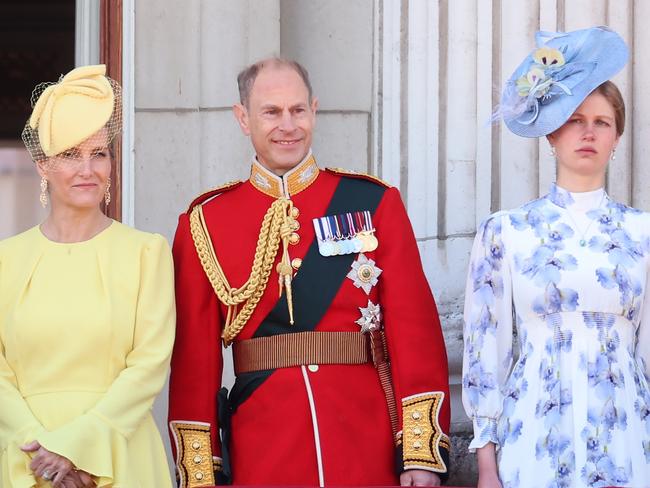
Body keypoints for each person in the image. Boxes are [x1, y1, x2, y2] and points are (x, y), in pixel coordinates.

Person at [169, 57, 450, 487]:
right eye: (272, 112)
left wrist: (420, 452)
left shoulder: (372, 202)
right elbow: (194, 364)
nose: (288, 125)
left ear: (314, 110)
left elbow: (415, 330)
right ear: (243, 118)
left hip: (364, 440)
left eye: (298, 110)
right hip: (265, 450)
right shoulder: (205, 222)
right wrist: (202, 472)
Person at [463, 26, 650, 487]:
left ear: (616, 137)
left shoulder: (643, 232)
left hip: (626, 435)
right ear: (550, 133)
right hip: (534, 436)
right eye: (574, 118)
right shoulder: (505, 231)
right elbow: (485, 350)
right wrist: (487, 465)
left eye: (601, 122)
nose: (587, 132)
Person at [0, 65, 175, 487]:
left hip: (120, 456)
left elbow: (149, 366)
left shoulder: (145, 252)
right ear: (42, 166)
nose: (87, 169)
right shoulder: (5, 260)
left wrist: (77, 448)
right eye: (70, 154)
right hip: (28, 460)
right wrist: (41, 450)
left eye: (99, 153)